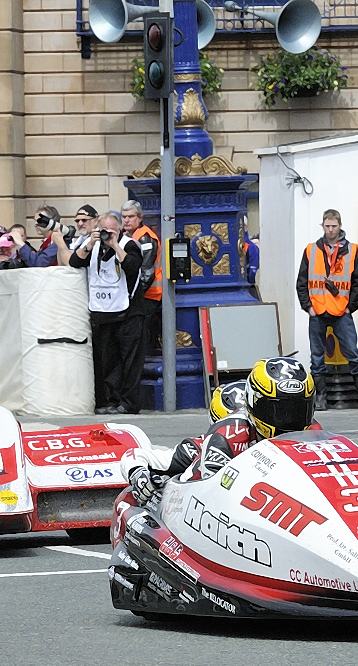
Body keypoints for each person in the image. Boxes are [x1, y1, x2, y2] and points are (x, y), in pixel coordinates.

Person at [120, 357, 317, 505]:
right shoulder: (228, 435)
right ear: (254, 404)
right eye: (279, 411)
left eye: (298, 410)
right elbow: (216, 500)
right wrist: (139, 474)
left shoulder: (314, 433)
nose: (290, 420)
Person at [296, 209, 358, 410]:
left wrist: (351, 307)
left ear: (340, 226)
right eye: (327, 226)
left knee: (354, 356)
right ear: (322, 226)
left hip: (341, 312)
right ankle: (320, 398)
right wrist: (308, 307)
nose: (330, 230)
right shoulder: (311, 250)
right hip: (318, 311)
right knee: (317, 359)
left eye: (334, 226)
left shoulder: (352, 250)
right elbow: (302, 282)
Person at [67, 210, 143, 415]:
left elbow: (133, 266)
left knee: (129, 362)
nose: (106, 234)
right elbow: (75, 262)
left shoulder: (129, 245)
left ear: (119, 229)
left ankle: (129, 403)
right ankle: (111, 400)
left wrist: (115, 244)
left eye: (110, 230)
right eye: (103, 230)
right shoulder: (93, 246)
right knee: (108, 362)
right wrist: (90, 243)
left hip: (128, 313)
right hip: (102, 312)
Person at [122, 200, 162, 356]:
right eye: (124, 216)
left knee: (140, 336)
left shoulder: (145, 238)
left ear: (139, 218)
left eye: (131, 216)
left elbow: (147, 273)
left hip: (148, 295)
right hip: (141, 294)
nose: (126, 220)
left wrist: (133, 295)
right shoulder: (131, 236)